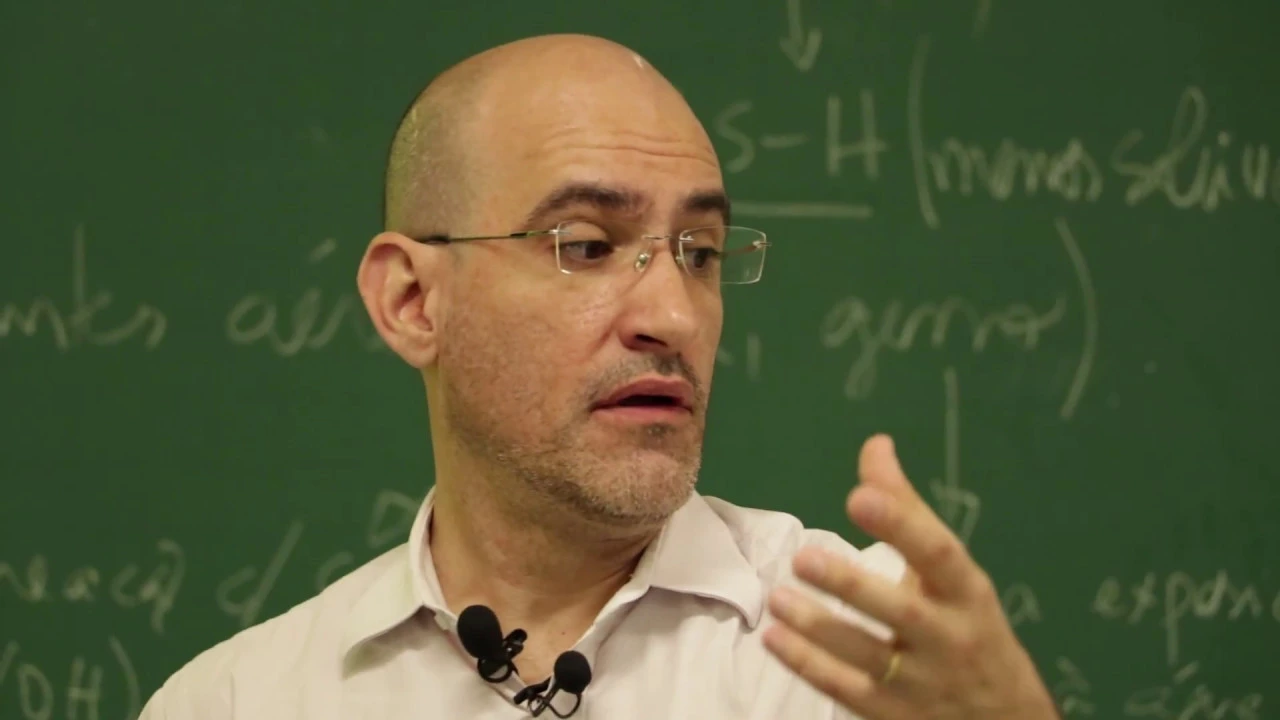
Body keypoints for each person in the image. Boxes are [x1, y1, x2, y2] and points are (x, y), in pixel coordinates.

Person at [138, 33, 1060, 720]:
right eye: (585, 245)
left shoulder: (871, 656)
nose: (674, 316)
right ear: (413, 302)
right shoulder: (237, 702)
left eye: (700, 252)